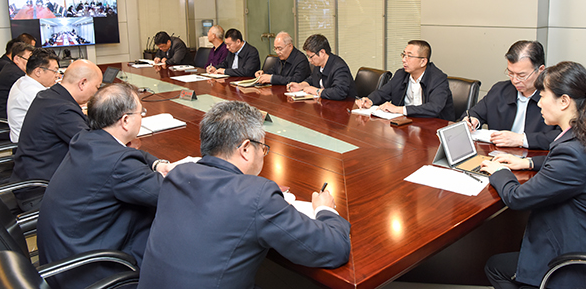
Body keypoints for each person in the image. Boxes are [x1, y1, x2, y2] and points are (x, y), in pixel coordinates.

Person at [137, 101, 351, 289]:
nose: (263, 154)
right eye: (263, 148)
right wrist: (325, 209)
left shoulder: (177, 175)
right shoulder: (257, 194)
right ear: (246, 149)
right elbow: (334, 249)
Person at [481, 61, 586, 289]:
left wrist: (501, 172)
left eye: (543, 95)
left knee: (495, 267)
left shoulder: (572, 152)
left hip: (584, 265)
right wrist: (528, 162)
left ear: (564, 101)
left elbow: (517, 198)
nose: (539, 103)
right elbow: (581, 167)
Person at [37, 83, 175, 289]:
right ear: (125, 121)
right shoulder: (119, 163)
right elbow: (169, 193)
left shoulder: (86, 139)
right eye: (141, 113)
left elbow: (130, 154)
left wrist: (157, 164)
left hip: (61, 255)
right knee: (172, 230)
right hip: (87, 269)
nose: (142, 117)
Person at [10, 59, 103, 211]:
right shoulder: (62, 109)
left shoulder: (50, 96)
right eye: (97, 87)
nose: (96, 93)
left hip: (31, 181)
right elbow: (94, 147)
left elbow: (83, 127)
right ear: (82, 83)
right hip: (41, 193)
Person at [463, 40, 560, 150]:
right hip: (497, 155)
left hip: (536, 157)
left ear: (540, 70)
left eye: (521, 75)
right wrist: (472, 121)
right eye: (510, 73)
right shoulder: (500, 90)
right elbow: (474, 113)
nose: (515, 80)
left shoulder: (555, 97)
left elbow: (565, 136)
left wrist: (521, 139)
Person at [356, 40, 455, 120]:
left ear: (423, 62)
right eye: (404, 55)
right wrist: (370, 100)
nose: (404, 60)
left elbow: (434, 108)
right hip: (405, 124)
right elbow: (383, 93)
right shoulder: (401, 74)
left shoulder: (438, 79)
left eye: (409, 56)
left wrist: (398, 109)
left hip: (433, 128)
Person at [7, 48, 61, 143]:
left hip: (30, 138)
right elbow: (59, 117)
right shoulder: (35, 93)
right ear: (38, 72)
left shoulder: (23, 81)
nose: (57, 75)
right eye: (54, 71)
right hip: (32, 144)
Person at [288, 34, 356, 100]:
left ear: (322, 52)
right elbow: (313, 79)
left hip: (345, 105)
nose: (309, 60)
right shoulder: (318, 64)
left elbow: (339, 92)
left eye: (311, 56)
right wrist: (301, 86)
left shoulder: (339, 67)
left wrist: (317, 91)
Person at [0, 42, 34, 119]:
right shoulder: (15, 74)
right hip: (3, 119)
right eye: (29, 60)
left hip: (4, 113)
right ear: (17, 59)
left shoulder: (11, 67)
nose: (32, 64)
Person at [0, 34, 36, 102]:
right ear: (17, 58)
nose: (31, 63)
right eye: (29, 60)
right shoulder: (13, 72)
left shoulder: (9, 65)